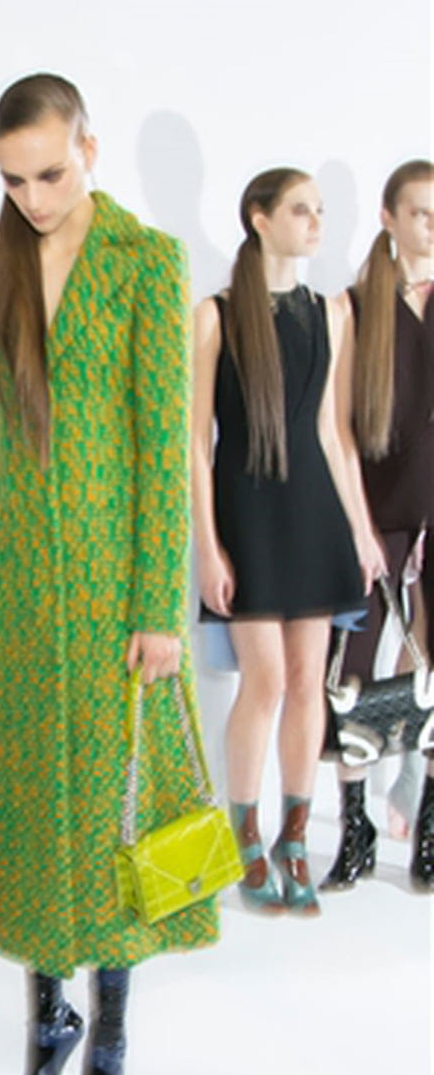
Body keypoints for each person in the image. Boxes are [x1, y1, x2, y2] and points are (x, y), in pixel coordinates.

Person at [0, 73, 217, 1075]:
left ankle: (107, 1040)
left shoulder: (145, 262)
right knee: (27, 804)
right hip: (15, 587)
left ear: (88, 151)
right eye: (13, 180)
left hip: (114, 593)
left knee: (111, 813)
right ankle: (47, 1016)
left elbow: (164, 444)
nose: (33, 197)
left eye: (50, 173)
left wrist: (159, 604)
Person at [192, 168, 384, 913]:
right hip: (247, 513)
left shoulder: (333, 313)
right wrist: (208, 546)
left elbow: (335, 435)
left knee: (309, 683)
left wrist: (361, 530)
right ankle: (244, 833)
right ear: (259, 217)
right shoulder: (214, 315)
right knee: (264, 681)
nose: (315, 223)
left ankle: (294, 837)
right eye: (301, 210)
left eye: (320, 211)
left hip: (315, 514)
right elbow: (193, 444)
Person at [322, 159, 434, 890]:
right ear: (389, 218)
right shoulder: (356, 306)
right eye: (420, 212)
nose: (432, 226)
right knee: (352, 677)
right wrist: (361, 527)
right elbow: (337, 428)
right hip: (374, 515)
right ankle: (355, 827)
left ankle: (428, 829)